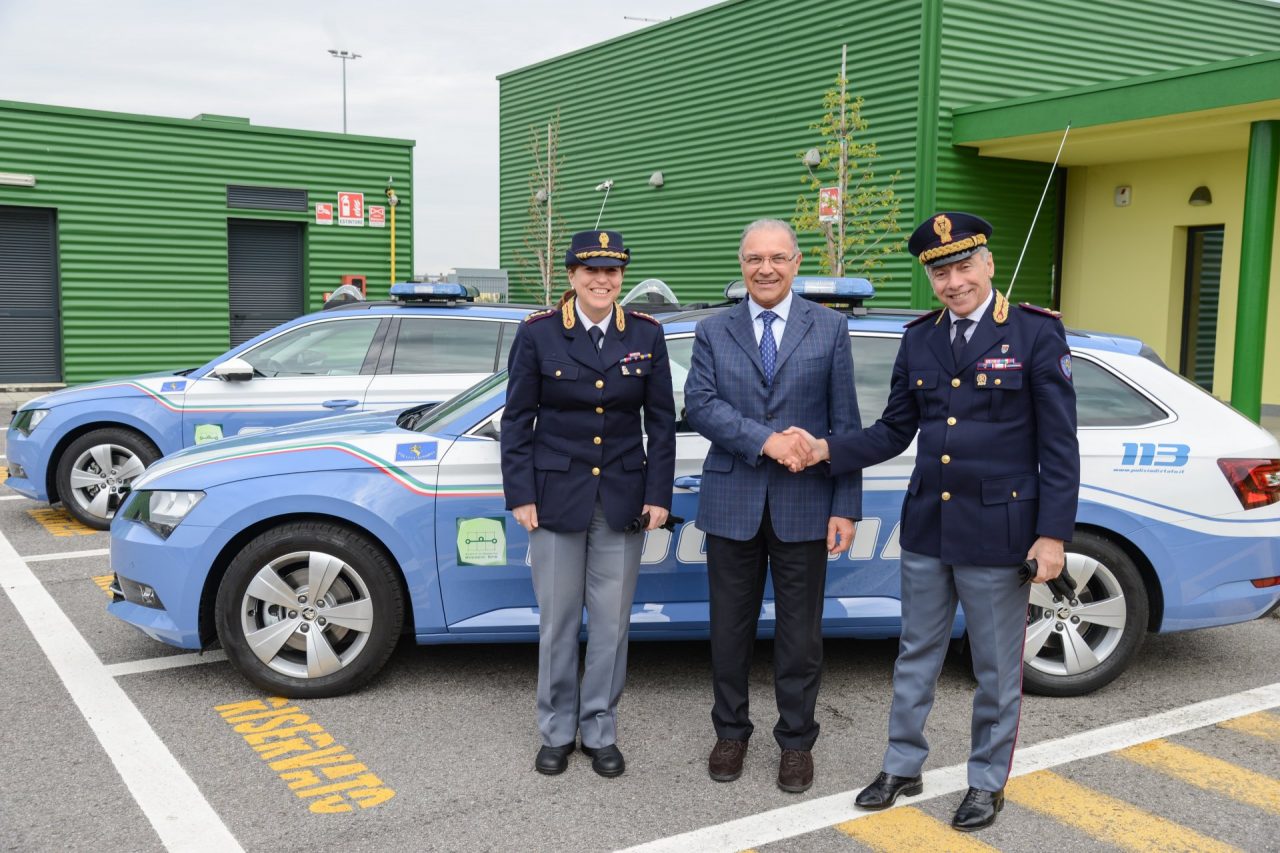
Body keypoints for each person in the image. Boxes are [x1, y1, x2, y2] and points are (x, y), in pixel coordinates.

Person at [789, 212, 1079, 830]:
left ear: (989, 264)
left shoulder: (1034, 333)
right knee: (915, 653)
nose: (954, 282)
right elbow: (896, 429)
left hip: (999, 531)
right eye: (941, 273)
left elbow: (1059, 447)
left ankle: (986, 781)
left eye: (964, 267)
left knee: (995, 668)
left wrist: (1052, 535)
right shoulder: (920, 338)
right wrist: (825, 450)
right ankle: (902, 765)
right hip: (928, 525)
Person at [683, 218, 861, 793]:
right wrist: (768, 441)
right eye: (755, 258)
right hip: (732, 501)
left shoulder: (830, 328)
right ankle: (730, 733)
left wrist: (845, 505)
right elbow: (700, 405)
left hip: (806, 504)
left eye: (777, 258)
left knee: (800, 636)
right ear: (741, 264)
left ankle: (797, 742)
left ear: (796, 262)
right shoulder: (713, 330)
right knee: (728, 631)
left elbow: (845, 422)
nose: (766, 269)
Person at [500, 229, 676, 778]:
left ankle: (600, 728)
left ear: (621, 277)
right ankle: (556, 730)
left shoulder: (646, 334)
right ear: (572, 276)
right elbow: (517, 421)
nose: (602, 280)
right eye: (591, 271)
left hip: (622, 497)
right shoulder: (538, 333)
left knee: (611, 623)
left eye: (612, 271)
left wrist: (658, 495)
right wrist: (521, 495)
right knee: (557, 622)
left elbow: (661, 424)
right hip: (555, 497)